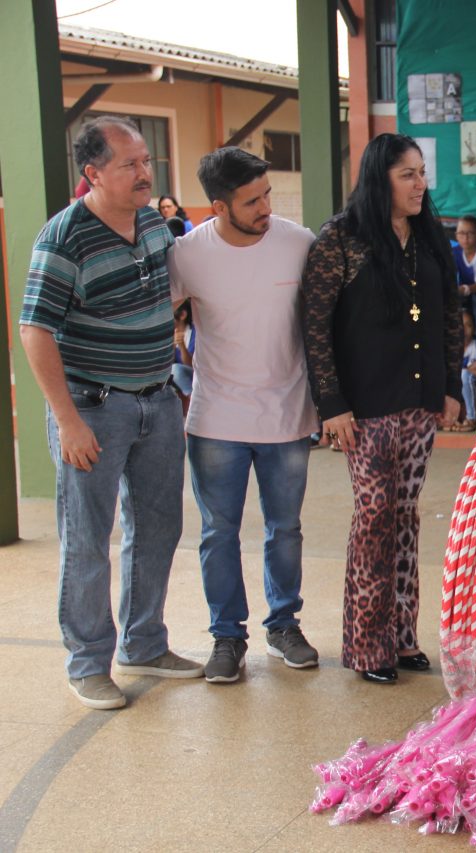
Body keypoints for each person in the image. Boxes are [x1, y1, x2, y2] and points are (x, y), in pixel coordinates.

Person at [20, 116, 203, 710]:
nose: (145, 173)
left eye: (147, 161)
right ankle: (88, 663)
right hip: (93, 410)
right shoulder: (63, 237)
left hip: (157, 401)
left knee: (158, 528)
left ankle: (145, 642)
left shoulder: (152, 222)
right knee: (87, 540)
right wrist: (67, 420)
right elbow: (35, 330)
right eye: (130, 164)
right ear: (93, 173)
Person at [302, 133, 463, 684]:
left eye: (422, 173)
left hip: (418, 402)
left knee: (405, 516)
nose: (421, 185)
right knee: (373, 518)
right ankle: (366, 646)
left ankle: (402, 637)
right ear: (380, 179)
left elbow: (449, 313)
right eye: (407, 175)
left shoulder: (427, 237)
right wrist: (332, 405)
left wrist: (450, 383)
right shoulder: (340, 240)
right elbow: (315, 329)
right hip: (364, 408)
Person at [167, 146, 321, 683]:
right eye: (251, 200)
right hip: (215, 419)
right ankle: (227, 637)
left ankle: (283, 625)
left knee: (285, 529)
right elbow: (157, 318)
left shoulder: (298, 243)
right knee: (218, 532)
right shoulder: (187, 254)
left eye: (267, 195)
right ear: (217, 207)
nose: (265, 208)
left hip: (287, 415)